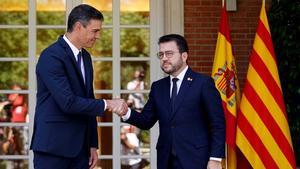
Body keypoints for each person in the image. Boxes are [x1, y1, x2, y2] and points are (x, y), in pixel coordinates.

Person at [30, 4, 128, 169]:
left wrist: (92, 144)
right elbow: (68, 102)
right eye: (94, 31)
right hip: (53, 149)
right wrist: (108, 103)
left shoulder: (86, 58)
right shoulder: (51, 56)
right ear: (78, 27)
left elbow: (87, 99)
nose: (98, 36)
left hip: (81, 151)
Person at [122, 34, 225, 169]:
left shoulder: (203, 83)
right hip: (166, 161)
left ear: (184, 56)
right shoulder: (158, 87)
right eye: (161, 54)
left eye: (169, 54)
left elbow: (217, 123)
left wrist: (215, 158)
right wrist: (126, 112)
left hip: (197, 160)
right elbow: (146, 120)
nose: (164, 58)